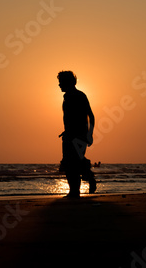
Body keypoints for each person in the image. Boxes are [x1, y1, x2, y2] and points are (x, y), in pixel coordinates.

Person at [57, 70, 97, 198]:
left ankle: (88, 177)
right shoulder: (66, 97)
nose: (59, 85)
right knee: (69, 163)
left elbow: (91, 115)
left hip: (79, 135)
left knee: (73, 161)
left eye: (61, 82)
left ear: (68, 82)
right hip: (68, 135)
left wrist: (90, 134)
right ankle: (74, 191)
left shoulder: (80, 96)